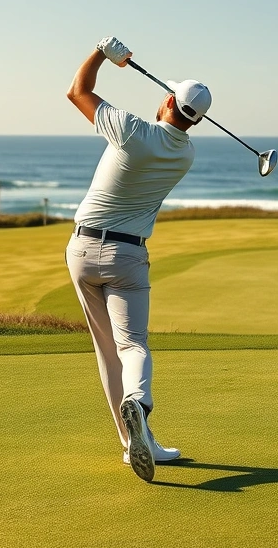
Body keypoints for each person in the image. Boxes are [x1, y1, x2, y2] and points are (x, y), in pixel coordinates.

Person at [65, 36, 212, 482]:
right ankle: (139, 403)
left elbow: (77, 91)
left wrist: (102, 54)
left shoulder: (131, 129)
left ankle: (134, 445)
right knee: (133, 346)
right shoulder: (185, 153)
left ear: (167, 99)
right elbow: (166, 128)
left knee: (107, 352)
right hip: (128, 255)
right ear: (195, 120)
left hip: (81, 249)